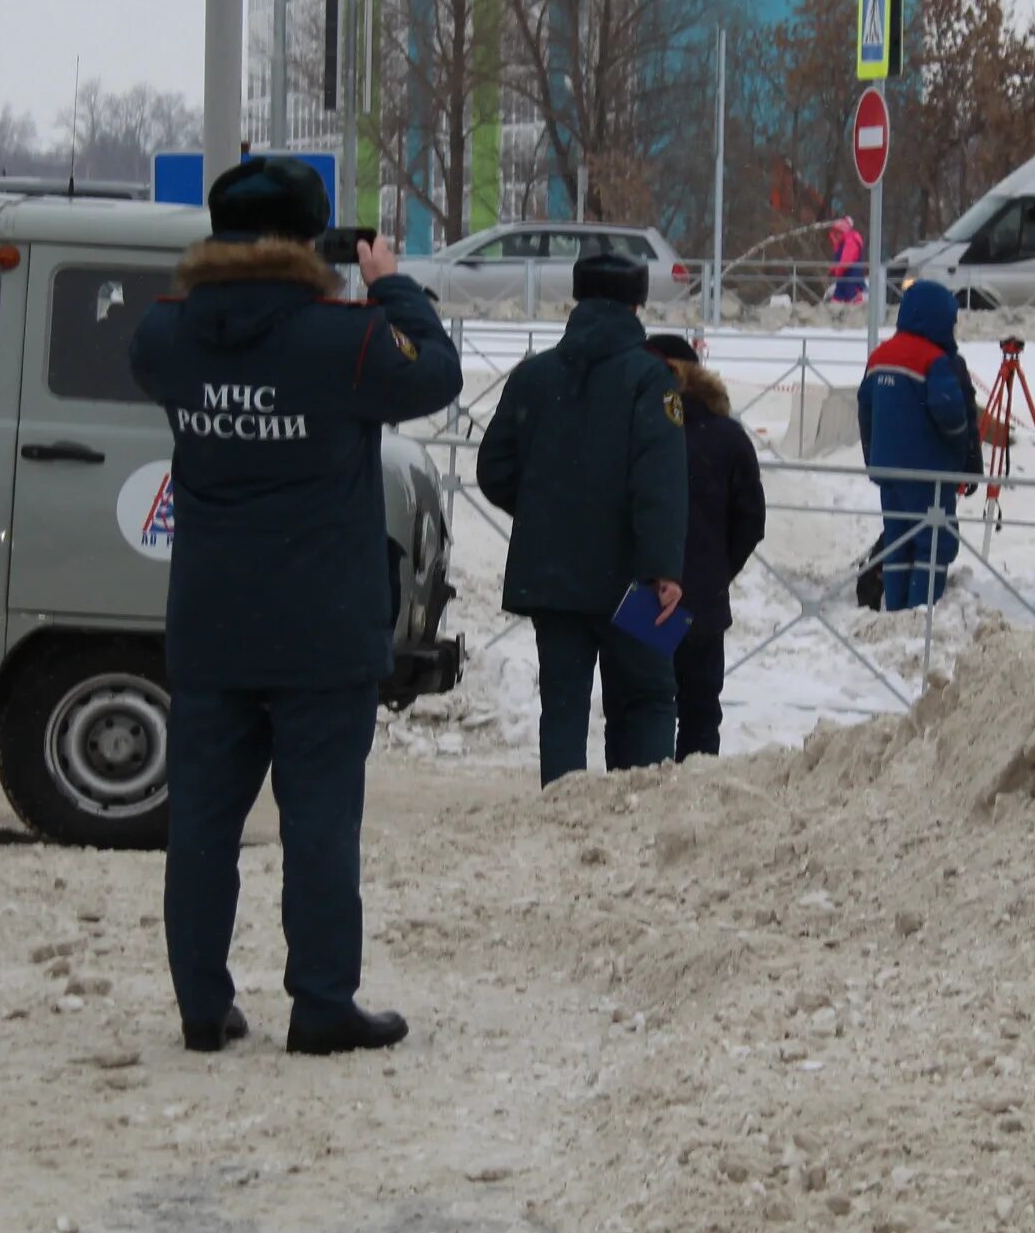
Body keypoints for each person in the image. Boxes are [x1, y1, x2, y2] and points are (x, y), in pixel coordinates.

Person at [128, 155, 463, 1058]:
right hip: (321, 625)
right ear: (312, 244)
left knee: (200, 824)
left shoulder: (165, 335)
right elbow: (434, 375)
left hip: (212, 621)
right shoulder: (341, 339)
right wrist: (394, 288)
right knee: (318, 826)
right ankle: (321, 1004)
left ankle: (202, 1005)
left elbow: (162, 367)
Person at [479, 252, 689, 784]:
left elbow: (494, 468)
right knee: (646, 699)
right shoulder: (651, 379)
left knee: (564, 707)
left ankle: (561, 815)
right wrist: (664, 568)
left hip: (553, 575)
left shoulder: (533, 375)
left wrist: (548, 512)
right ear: (637, 305)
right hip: (637, 579)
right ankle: (636, 814)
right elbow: (658, 483)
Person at [645, 333, 766, 757]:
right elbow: (751, 521)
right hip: (702, 598)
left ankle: (638, 800)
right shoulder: (727, 437)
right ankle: (694, 803)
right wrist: (715, 569)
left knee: (643, 710)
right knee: (699, 712)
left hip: (642, 595)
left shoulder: (636, 430)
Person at [857, 280, 983, 611]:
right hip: (928, 472)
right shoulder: (933, 359)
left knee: (897, 540)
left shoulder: (879, 356)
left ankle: (896, 609)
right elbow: (951, 414)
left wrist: (873, 457)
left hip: (888, 469)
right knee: (934, 543)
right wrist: (960, 452)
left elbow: (865, 409)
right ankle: (920, 614)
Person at [828, 215, 866, 305]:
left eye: (837, 232)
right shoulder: (845, 241)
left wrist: (835, 270)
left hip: (851, 281)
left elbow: (846, 261)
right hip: (844, 281)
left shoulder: (850, 239)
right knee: (837, 307)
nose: (835, 235)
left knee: (854, 309)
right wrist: (833, 270)